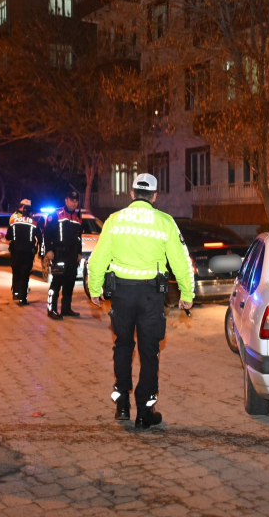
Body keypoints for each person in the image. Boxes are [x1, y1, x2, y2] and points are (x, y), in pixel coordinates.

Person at [87, 174, 194, 430]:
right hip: (151, 297)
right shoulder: (165, 222)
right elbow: (180, 261)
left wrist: (95, 288)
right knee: (149, 352)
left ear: (132, 193)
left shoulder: (114, 220)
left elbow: (97, 258)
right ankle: (145, 412)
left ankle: (122, 404)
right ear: (155, 196)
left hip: (121, 295)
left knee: (123, 347)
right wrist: (187, 294)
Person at [44, 190, 84, 319]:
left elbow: (79, 237)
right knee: (57, 282)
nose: (73, 203)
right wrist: (48, 250)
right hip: (59, 253)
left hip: (72, 255)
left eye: (76, 201)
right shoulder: (56, 214)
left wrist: (79, 252)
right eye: (71, 200)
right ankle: (51, 309)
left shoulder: (78, 217)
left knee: (70, 282)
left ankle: (66, 309)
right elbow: (47, 233)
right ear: (66, 200)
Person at [6, 199, 40, 306]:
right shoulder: (34, 223)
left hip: (15, 251)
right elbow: (40, 237)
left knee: (16, 272)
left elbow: (8, 236)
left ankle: (15, 293)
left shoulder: (13, 221)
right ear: (30, 213)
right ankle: (22, 298)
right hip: (27, 252)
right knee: (25, 274)